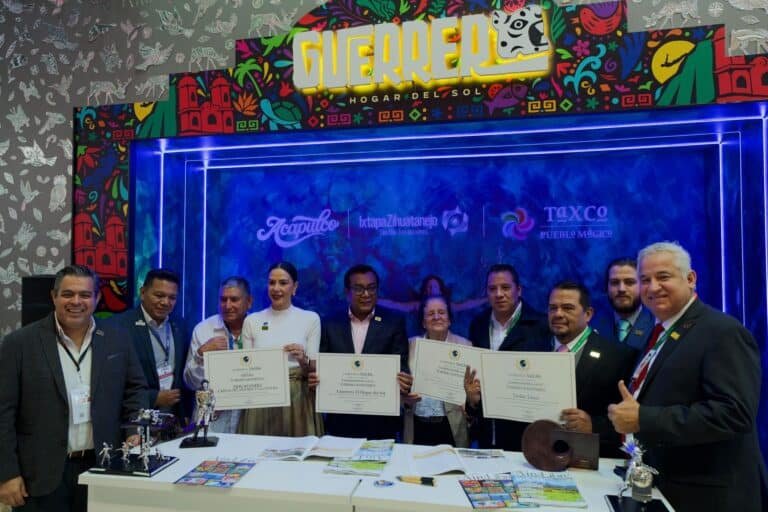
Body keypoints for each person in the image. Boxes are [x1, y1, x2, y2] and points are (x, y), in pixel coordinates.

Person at [608, 242, 768, 512]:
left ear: (690, 279)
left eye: (663, 277)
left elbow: (734, 414)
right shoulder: (661, 332)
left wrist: (643, 418)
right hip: (666, 487)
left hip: (711, 498)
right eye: (645, 280)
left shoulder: (723, 331)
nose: (653, 287)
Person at [0, 265, 147, 511]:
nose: (76, 301)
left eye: (85, 295)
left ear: (97, 299)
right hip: (40, 475)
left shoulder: (117, 339)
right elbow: (3, 412)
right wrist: (6, 473)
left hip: (103, 467)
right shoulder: (20, 344)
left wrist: (134, 428)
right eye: (67, 294)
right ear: (54, 297)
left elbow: (135, 389)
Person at [466, 280, 637, 456]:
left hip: (589, 461)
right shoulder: (528, 349)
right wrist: (475, 403)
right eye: (553, 308)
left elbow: (631, 420)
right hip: (532, 458)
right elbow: (509, 407)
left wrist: (593, 426)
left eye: (568, 308)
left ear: (588, 314)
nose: (558, 314)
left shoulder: (617, 357)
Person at [311, 264, 410, 439]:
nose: (366, 294)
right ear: (347, 292)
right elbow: (321, 365)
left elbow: (402, 365)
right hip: (340, 420)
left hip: (381, 421)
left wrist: (404, 380)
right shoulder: (329, 323)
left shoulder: (393, 322)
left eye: (371, 288)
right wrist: (315, 378)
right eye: (358, 289)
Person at [465, 263, 549, 449]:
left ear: (518, 290)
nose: (499, 294)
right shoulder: (478, 324)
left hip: (527, 434)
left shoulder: (541, 326)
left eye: (505, 287)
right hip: (487, 433)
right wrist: (472, 401)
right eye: (492, 289)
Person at [238, 262, 323, 436]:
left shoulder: (310, 319)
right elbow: (245, 367)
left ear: (295, 287)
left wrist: (302, 359)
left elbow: (314, 371)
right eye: (272, 283)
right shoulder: (252, 321)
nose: (276, 288)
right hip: (261, 397)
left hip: (298, 398)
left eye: (283, 283)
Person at [107, 268, 190, 427]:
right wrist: (153, 398)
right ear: (143, 292)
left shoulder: (180, 325)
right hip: (135, 422)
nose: (165, 302)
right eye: (159, 295)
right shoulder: (119, 326)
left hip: (171, 421)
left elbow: (182, 376)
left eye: (172, 297)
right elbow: (111, 382)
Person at [184, 276, 253, 433]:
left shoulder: (259, 328)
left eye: (234, 299)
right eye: (223, 299)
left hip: (248, 415)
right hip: (212, 417)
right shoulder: (204, 330)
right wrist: (201, 354)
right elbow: (190, 382)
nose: (227, 305)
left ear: (249, 301)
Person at [402, 295, 471, 447]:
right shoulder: (409, 346)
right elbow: (400, 385)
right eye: (430, 313)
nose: (436, 317)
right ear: (423, 322)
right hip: (417, 426)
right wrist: (404, 400)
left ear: (449, 319)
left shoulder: (465, 346)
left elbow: (472, 390)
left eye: (441, 312)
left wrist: (468, 402)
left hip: (451, 426)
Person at [592, 257, 654, 351]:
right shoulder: (592, 324)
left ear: (643, 286)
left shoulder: (656, 324)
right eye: (614, 283)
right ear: (606, 287)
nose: (621, 289)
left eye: (629, 282)